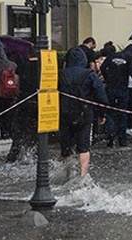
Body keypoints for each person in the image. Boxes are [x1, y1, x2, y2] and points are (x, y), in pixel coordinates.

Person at [58, 47, 108, 177]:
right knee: (84, 146)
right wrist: (102, 114)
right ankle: (83, 175)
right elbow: (101, 96)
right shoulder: (90, 74)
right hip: (84, 114)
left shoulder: (60, 74)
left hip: (64, 114)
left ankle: (67, 174)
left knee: (66, 146)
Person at [100, 43, 132, 147]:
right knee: (123, 114)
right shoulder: (130, 58)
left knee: (110, 112)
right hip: (122, 89)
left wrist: (108, 78)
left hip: (110, 88)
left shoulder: (112, 56)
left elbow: (103, 67)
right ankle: (122, 139)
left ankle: (110, 136)